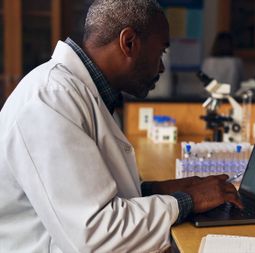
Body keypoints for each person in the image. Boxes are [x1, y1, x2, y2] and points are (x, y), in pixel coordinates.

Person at [0, 1, 242, 252]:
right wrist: (188, 201)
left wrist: (158, 189)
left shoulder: (85, 94)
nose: (161, 66)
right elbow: (96, 235)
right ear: (129, 43)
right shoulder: (51, 100)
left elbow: (93, 194)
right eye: (161, 52)